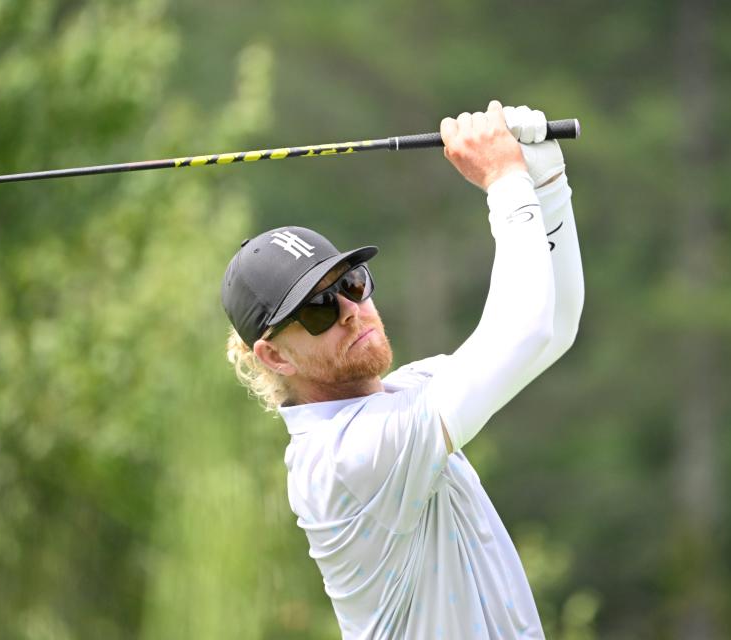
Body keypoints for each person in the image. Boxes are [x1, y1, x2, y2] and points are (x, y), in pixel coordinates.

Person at [221, 101, 584, 639]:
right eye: (318, 310)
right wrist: (505, 180)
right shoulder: (344, 458)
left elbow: (550, 326)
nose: (350, 309)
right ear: (275, 356)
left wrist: (546, 182)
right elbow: (522, 329)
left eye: (352, 283)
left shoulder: (404, 395)